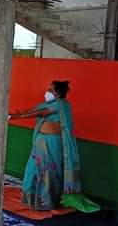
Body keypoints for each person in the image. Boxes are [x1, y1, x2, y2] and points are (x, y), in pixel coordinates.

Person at [9, 81, 80, 210]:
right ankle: (31, 200)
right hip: (40, 142)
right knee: (31, 170)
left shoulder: (62, 105)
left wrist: (19, 116)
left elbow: (41, 113)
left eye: (50, 90)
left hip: (53, 143)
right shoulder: (48, 104)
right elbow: (36, 109)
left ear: (57, 93)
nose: (47, 92)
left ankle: (47, 202)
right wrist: (17, 115)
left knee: (49, 172)